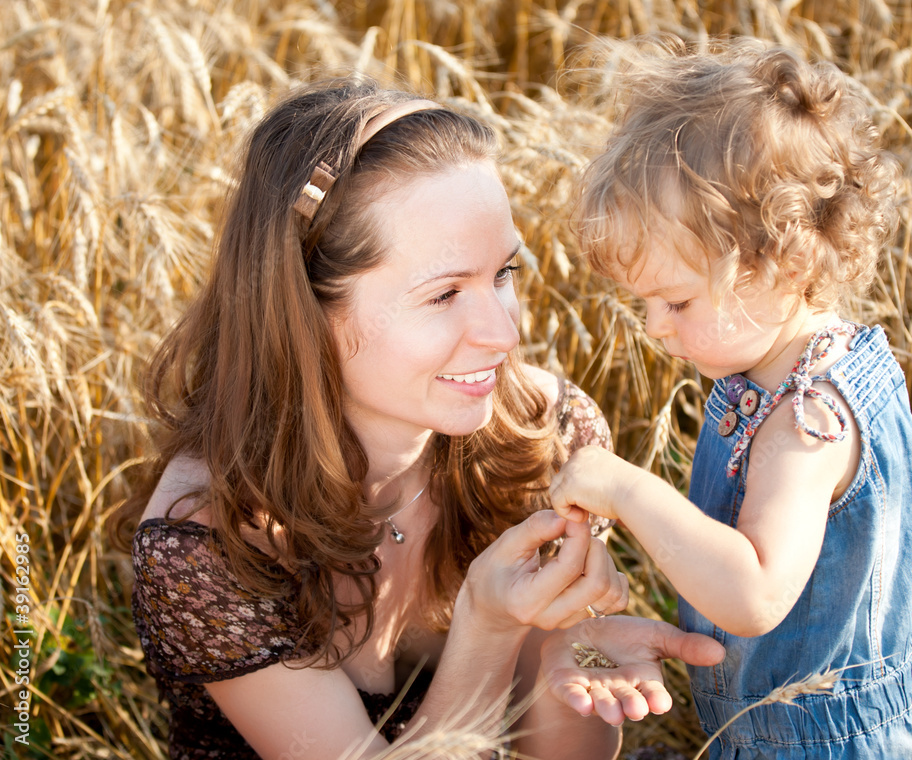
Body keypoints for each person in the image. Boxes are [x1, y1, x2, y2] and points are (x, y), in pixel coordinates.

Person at [111, 78, 724, 760]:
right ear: (304, 310)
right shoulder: (210, 538)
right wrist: (488, 626)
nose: (501, 332)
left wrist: (570, 665)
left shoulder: (548, 441)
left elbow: (560, 750)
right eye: (444, 295)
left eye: (503, 274)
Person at [546, 39, 912, 758]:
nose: (653, 328)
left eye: (674, 300)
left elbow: (755, 594)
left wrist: (628, 491)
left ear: (785, 262)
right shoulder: (782, 375)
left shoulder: (807, 424)